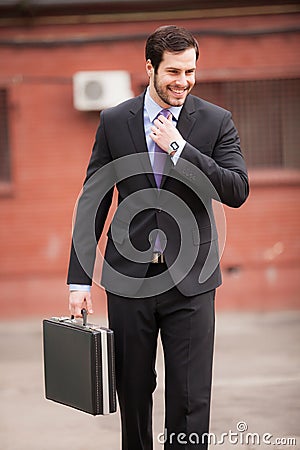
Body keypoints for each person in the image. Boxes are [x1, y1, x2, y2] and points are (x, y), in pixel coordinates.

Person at [67, 25, 249, 450]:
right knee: (132, 392)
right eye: (173, 72)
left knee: (189, 399)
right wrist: (79, 281)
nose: (183, 81)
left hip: (192, 281)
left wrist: (181, 150)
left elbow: (236, 190)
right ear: (149, 67)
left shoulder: (216, 121)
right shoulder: (115, 121)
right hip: (129, 281)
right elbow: (93, 199)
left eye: (190, 71)